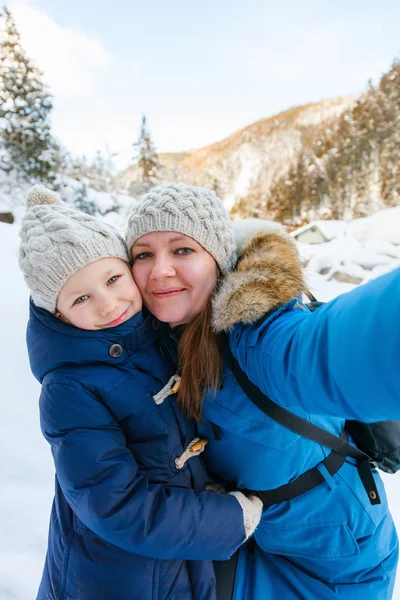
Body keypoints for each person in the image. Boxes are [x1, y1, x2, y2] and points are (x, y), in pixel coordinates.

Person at [126, 182, 400, 600]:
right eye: (144, 254)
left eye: (182, 250)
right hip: (250, 538)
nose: (160, 270)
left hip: (330, 565)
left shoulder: (258, 337)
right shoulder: (160, 336)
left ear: (217, 259)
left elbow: (333, 350)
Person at [19, 185, 263, 600]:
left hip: (176, 566)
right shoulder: (68, 389)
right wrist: (226, 518)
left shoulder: (154, 335)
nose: (109, 303)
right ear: (57, 314)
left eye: (114, 278)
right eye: (81, 297)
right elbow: (115, 506)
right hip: (111, 580)